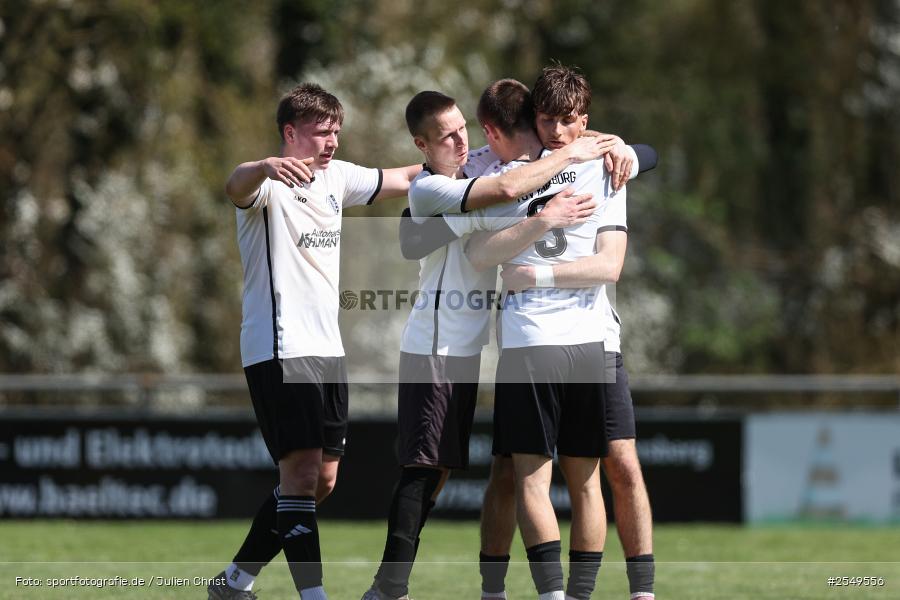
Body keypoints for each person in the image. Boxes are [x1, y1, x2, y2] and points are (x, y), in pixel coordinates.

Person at [398, 67, 657, 600]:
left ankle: (610, 592)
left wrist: (622, 148)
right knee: (526, 475)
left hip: (581, 338)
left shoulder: (604, 165)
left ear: (583, 121)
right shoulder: (506, 173)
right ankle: (514, 591)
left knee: (588, 474)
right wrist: (546, 215)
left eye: (568, 121)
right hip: (534, 340)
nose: (557, 132)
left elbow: (608, 263)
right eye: (547, 120)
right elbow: (431, 232)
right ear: (533, 120)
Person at [208, 82, 422, 600]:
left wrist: (479, 160)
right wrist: (263, 166)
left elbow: (405, 177)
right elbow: (234, 186)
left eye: (336, 131)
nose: (332, 141)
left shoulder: (337, 177)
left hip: (328, 351)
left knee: (321, 480)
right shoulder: (267, 185)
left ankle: (234, 582)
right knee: (301, 475)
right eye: (322, 132)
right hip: (281, 347)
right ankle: (314, 596)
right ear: (290, 133)